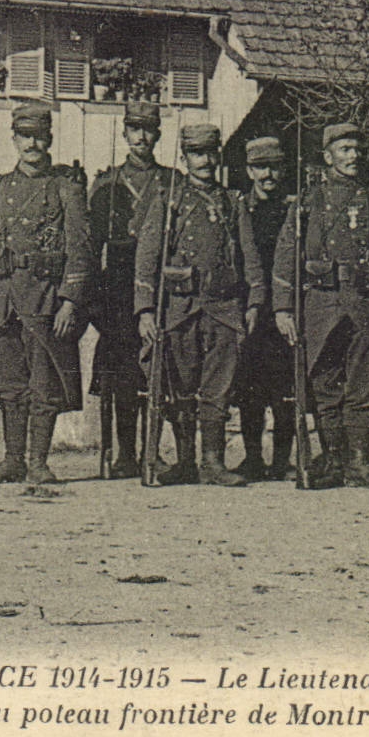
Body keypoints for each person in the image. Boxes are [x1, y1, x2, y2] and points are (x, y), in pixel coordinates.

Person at [273, 122, 369, 489]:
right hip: (320, 304)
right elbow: (287, 257)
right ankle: (332, 458)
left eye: (356, 149)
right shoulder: (307, 201)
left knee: (364, 383)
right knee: (324, 383)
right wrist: (283, 309)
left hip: (365, 304)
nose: (353, 156)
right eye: (345, 149)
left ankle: (359, 461)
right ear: (327, 155)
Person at [134, 124, 265, 487]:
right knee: (180, 388)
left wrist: (254, 302)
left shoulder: (232, 202)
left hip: (223, 309)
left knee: (218, 389)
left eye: (210, 153)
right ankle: (186, 461)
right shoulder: (168, 200)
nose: (205, 161)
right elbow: (146, 259)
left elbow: (250, 257)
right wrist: (145, 309)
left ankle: (212, 462)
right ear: (184, 158)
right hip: (180, 309)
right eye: (197, 154)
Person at [0, 103, 93, 485]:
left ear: (50, 139)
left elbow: (80, 248)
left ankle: (38, 462)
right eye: (25, 136)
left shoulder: (65, 190)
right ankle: (12, 459)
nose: (32, 143)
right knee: (9, 386)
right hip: (4, 301)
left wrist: (70, 300)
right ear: (15, 139)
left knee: (44, 386)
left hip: (44, 300)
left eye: (39, 136)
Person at [86, 101, 172, 479]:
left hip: (160, 284)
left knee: (158, 370)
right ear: (124, 134)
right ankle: (124, 453)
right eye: (134, 129)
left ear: (157, 134)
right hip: (119, 286)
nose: (141, 136)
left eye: (148, 129)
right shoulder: (107, 183)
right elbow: (91, 243)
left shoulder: (172, 182)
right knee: (121, 374)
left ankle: (154, 448)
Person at [231, 135, 294, 481]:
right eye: (260, 168)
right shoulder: (240, 208)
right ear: (249, 171)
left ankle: (282, 461)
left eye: (274, 167)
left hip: (286, 309)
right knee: (250, 389)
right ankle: (253, 457)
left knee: (285, 389)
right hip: (252, 308)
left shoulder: (294, 210)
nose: (268, 174)